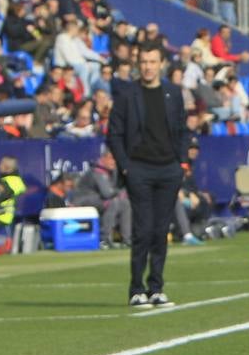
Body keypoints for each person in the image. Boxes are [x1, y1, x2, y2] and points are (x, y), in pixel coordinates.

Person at [107, 41, 187, 308]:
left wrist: (181, 162)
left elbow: (182, 129)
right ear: (137, 63)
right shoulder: (127, 95)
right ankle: (136, 289)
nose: (148, 67)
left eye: (153, 62)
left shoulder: (173, 93)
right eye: (144, 62)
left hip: (168, 169)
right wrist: (126, 166)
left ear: (161, 63)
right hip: (139, 169)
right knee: (142, 229)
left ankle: (156, 287)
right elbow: (114, 133)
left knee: (160, 229)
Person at [72, 151, 132, 246]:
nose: (114, 162)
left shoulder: (112, 171)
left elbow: (112, 190)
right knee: (113, 202)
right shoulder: (98, 171)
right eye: (111, 159)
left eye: (115, 159)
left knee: (125, 203)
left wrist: (121, 194)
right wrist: (121, 192)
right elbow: (107, 193)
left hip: (97, 199)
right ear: (103, 159)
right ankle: (104, 239)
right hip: (81, 200)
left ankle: (127, 239)